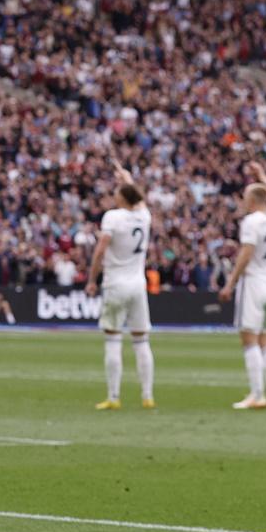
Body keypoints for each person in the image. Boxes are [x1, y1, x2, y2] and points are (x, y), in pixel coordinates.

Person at [84, 161, 154, 410]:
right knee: (141, 340)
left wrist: (92, 279)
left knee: (113, 338)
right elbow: (140, 198)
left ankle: (114, 397)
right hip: (138, 284)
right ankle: (147, 396)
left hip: (116, 283)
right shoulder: (144, 216)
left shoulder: (113, 217)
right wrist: (126, 176)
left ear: (123, 198)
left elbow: (101, 249)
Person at [218, 161, 266, 410]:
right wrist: (263, 175)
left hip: (254, 285)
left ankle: (257, 394)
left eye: (246, 197)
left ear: (255, 200)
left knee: (249, 340)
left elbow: (246, 255)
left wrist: (230, 283)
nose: (243, 202)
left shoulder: (252, 222)